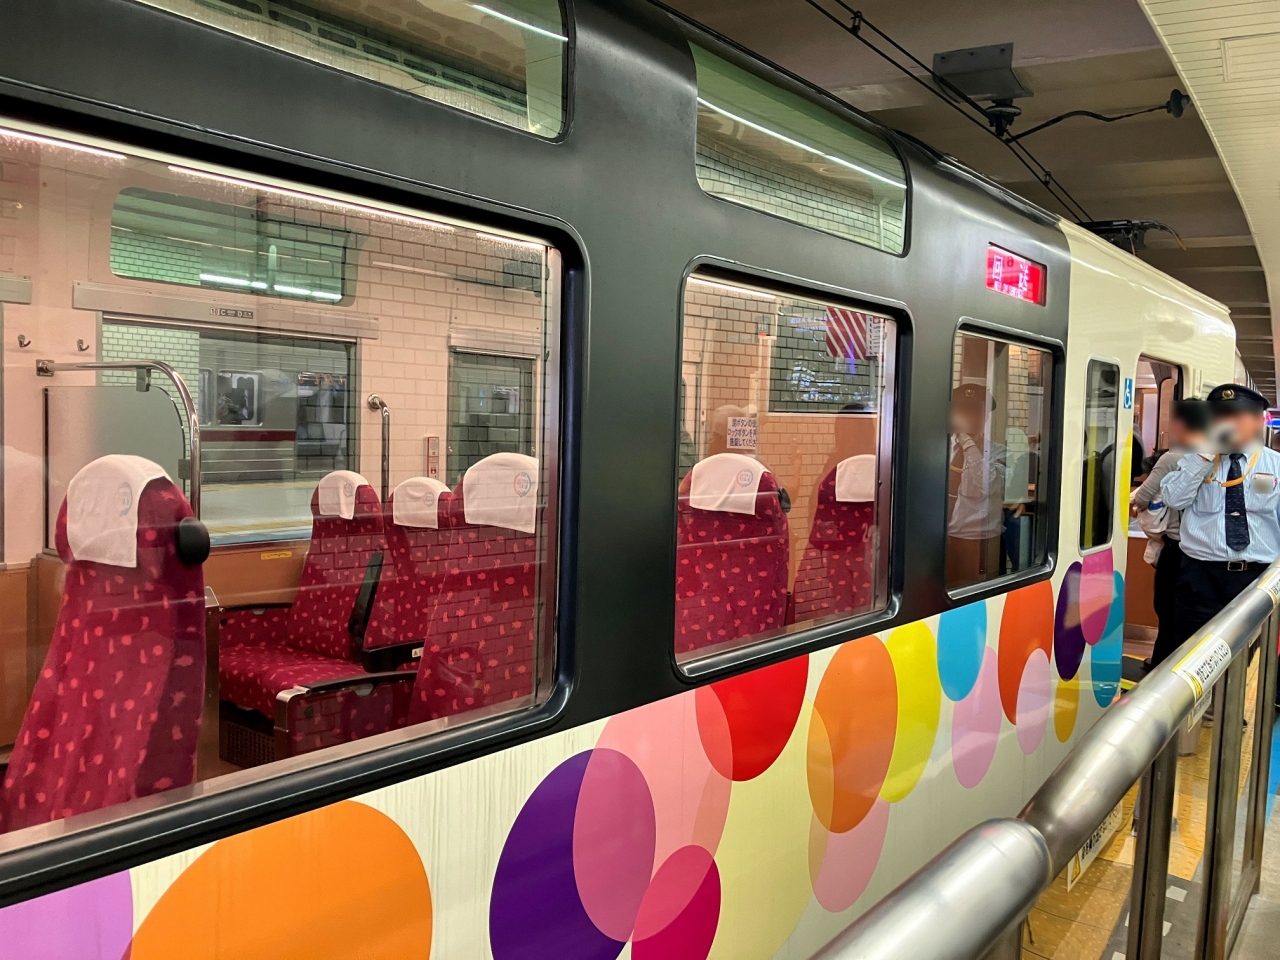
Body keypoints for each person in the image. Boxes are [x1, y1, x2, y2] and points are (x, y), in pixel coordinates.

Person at [1157, 384, 1280, 666]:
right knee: (1191, 657)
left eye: (1237, 416)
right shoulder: (1194, 460)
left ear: (1258, 421)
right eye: (1220, 416)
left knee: (1249, 658)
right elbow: (1173, 499)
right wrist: (1204, 455)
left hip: (1257, 578)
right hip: (1201, 577)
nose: (1228, 423)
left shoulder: (1276, 465)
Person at [1131, 399, 1210, 664]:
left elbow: (1143, 497)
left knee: (1167, 608)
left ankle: (1161, 664)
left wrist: (1139, 503)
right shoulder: (1219, 458)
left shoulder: (1173, 457)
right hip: (1204, 552)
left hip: (1176, 548)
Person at [947, 384, 1006, 585]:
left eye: (976, 412)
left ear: (985, 418)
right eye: (963, 411)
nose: (969, 418)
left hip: (980, 544)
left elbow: (986, 484)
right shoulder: (940, 448)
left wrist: (967, 443)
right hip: (940, 540)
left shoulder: (999, 452)